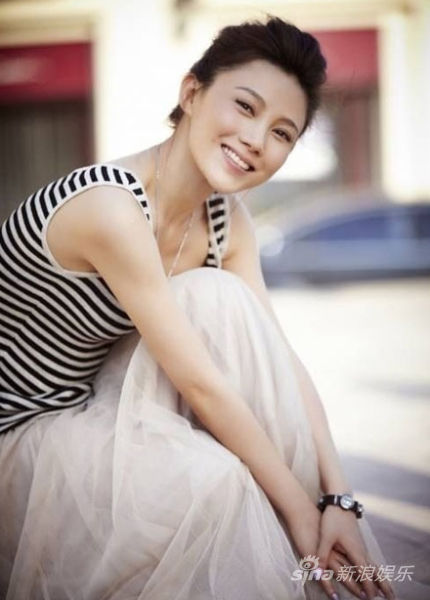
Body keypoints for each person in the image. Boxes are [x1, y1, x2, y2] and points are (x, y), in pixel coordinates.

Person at [0, 16, 398, 600]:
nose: (256, 139)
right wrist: (299, 512)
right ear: (191, 93)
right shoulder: (109, 206)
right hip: (21, 432)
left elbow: (278, 358)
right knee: (217, 484)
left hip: (95, 408)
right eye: (245, 106)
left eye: (282, 132)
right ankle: (310, 559)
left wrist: (337, 498)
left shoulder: (226, 221)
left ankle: (322, 554)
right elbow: (199, 383)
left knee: (222, 300)